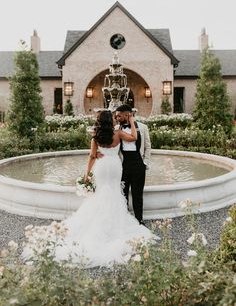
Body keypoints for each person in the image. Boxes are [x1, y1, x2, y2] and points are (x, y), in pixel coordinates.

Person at [22, 110, 156, 267]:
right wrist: (132, 121)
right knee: (113, 192)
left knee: (101, 193)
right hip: (114, 166)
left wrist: (87, 174)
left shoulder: (96, 137)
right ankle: (114, 221)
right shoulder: (118, 133)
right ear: (110, 121)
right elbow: (134, 137)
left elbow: (92, 156)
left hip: (102, 166)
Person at [115, 104, 151, 225]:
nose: (117, 118)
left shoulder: (143, 127)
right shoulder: (117, 129)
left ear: (128, 115)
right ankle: (124, 219)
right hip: (124, 164)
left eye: (119, 116)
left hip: (138, 164)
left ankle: (139, 219)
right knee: (122, 193)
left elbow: (148, 147)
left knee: (137, 194)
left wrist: (145, 163)